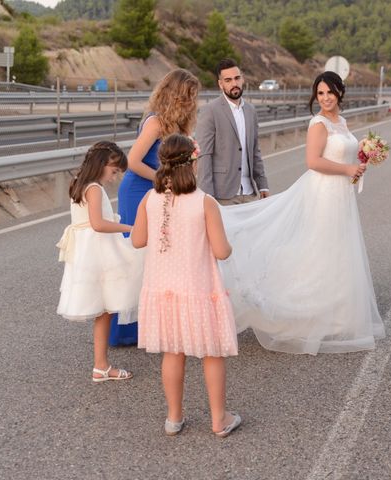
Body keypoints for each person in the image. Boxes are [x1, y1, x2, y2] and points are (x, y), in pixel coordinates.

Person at [218, 71, 384, 354]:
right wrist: (347, 169)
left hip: (341, 193)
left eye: (330, 92)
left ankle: (339, 313)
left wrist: (362, 159)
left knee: (339, 250)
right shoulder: (318, 123)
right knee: (321, 248)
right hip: (324, 193)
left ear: (340, 92)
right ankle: (307, 312)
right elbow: (313, 161)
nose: (325, 98)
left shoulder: (341, 122)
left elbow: (341, 154)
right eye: (320, 94)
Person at [131, 134, 241, 437]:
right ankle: (219, 418)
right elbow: (221, 251)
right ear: (193, 162)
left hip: (163, 291)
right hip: (198, 290)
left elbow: (138, 240)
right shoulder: (204, 202)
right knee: (211, 353)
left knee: (173, 352)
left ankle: (174, 417)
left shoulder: (149, 199)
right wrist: (229, 245)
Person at [110, 69, 200, 346]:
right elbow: (133, 161)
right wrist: (163, 179)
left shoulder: (179, 126)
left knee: (160, 253)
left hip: (159, 191)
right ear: (174, 95)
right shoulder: (156, 123)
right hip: (139, 190)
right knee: (136, 257)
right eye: (187, 96)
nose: (192, 102)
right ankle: (126, 329)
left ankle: (153, 322)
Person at [56, 141, 143, 382]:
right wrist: (130, 228)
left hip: (88, 250)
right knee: (105, 308)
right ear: (102, 164)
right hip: (98, 250)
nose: (114, 177)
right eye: (114, 171)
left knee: (103, 310)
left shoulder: (78, 182)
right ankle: (101, 365)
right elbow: (98, 223)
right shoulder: (94, 188)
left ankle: (101, 365)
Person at [196, 58, 269, 205]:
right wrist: (207, 197)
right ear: (220, 84)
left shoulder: (250, 110)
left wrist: (263, 184)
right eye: (228, 80)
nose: (234, 84)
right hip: (223, 195)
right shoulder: (210, 111)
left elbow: (255, 151)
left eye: (237, 78)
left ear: (242, 79)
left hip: (249, 193)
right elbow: (204, 156)